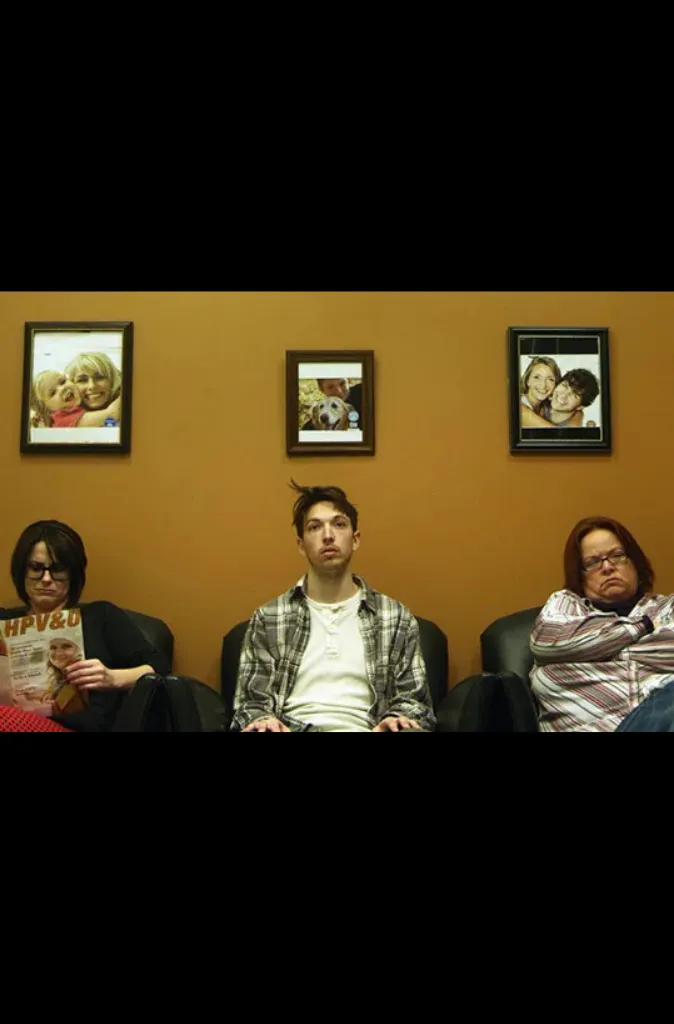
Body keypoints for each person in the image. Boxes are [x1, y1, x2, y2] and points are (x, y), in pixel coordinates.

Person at [232, 481, 435, 732]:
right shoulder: (269, 618)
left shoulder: (395, 618)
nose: (328, 535)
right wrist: (264, 721)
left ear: (355, 539)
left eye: (339, 524)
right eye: (315, 527)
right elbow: (251, 704)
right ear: (301, 545)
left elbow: (415, 702)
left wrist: (398, 718)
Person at [0, 520, 171, 732]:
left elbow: (160, 667)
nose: (46, 579)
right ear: (21, 571)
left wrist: (112, 678)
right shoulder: (3, 621)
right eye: (36, 568)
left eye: (57, 569)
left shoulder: (100, 617)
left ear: (73, 574)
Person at [530, 515, 674, 731]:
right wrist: (644, 627)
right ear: (579, 575)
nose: (607, 567)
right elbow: (548, 643)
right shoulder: (564, 606)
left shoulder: (667, 608)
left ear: (635, 562)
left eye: (617, 555)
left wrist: (592, 649)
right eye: (592, 562)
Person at [30, 370, 122, 428]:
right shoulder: (63, 420)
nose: (62, 388)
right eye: (53, 393)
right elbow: (113, 413)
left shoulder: (76, 409)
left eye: (63, 381)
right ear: (46, 409)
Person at [521, 368, 599, 428]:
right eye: (564, 385)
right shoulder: (540, 399)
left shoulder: (577, 425)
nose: (564, 395)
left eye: (575, 394)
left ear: (580, 407)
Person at [63, 352, 122, 422]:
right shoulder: (64, 415)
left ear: (112, 381)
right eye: (82, 380)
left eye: (99, 377)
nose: (92, 386)